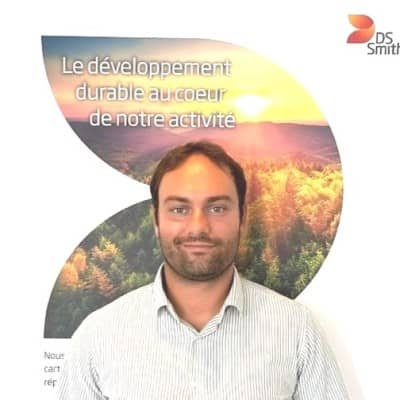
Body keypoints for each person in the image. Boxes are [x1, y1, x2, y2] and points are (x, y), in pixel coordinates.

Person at [59, 141, 349, 400]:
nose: (198, 226)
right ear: (156, 220)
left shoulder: (295, 330)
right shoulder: (98, 336)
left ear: (242, 217)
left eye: (217, 208)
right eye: (179, 209)